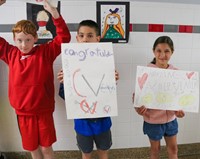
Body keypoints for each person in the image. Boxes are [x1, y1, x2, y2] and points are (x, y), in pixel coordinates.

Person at [0, 0, 71, 159]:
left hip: (43, 112)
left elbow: (64, 38)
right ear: (14, 39)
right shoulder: (11, 54)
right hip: (23, 114)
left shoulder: (46, 52)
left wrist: (55, 14)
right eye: (19, 40)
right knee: (33, 150)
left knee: (46, 149)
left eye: (28, 40)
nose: (24, 45)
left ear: (35, 38)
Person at [57, 19, 119, 159]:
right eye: (82, 35)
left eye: (90, 36)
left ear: (98, 39)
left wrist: (112, 79)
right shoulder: (70, 65)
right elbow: (64, 95)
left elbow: (107, 93)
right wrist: (65, 83)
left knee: (103, 152)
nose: (85, 39)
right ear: (77, 38)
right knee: (86, 153)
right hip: (82, 122)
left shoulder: (106, 63)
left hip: (102, 120)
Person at [133, 36, 185, 159]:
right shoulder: (145, 72)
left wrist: (180, 110)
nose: (162, 55)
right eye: (159, 51)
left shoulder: (176, 73)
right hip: (153, 121)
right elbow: (137, 96)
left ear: (172, 52)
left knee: (173, 149)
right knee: (155, 150)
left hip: (171, 120)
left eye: (167, 51)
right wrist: (138, 109)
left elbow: (180, 96)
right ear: (153, 51)